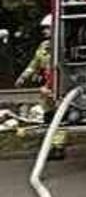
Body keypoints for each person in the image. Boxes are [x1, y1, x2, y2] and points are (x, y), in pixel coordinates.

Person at [15, 15, 66, 159]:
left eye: (47, 28)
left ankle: (58, 147)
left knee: (59, 117)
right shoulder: (43, 46)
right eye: (44, 28)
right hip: (47, 87)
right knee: (48, 117)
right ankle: (49, 145)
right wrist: (24, 76)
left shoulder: (63, 46)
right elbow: (35, 63)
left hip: (60, 86)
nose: (45, 31)